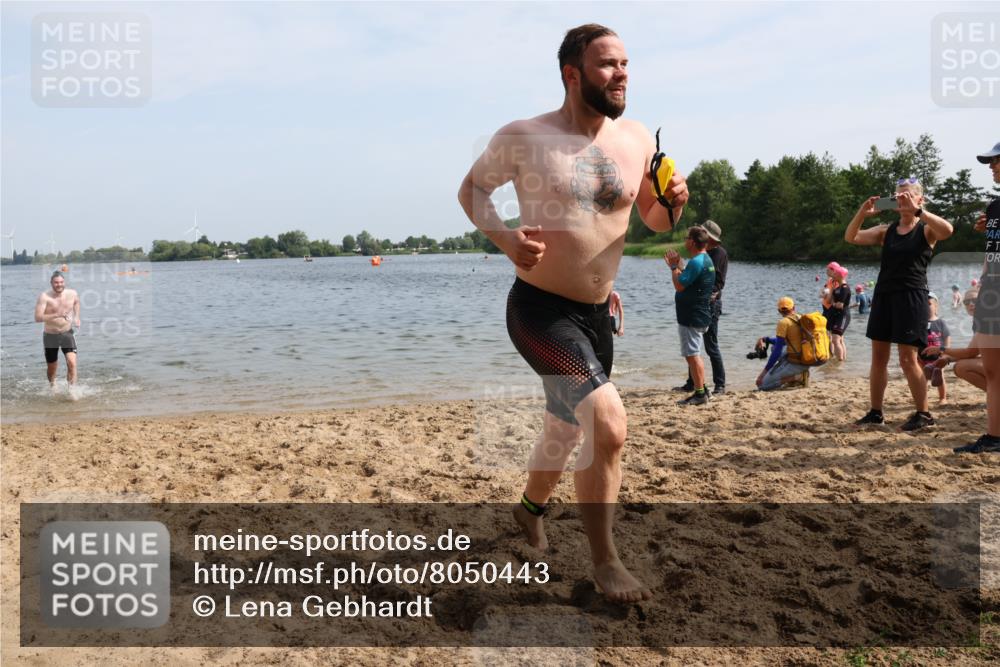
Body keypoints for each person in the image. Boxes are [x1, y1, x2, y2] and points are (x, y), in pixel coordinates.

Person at [457, 24, 688, 601]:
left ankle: (529, 508)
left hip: (597, 314)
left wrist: (674, 204)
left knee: (563, 429)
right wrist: (506, 240)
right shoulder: (524, 136)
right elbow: (472, 191)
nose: (622, 73)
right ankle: (606, 562)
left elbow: (653, 219)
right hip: (538, 310)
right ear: (572, 74)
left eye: (626, 63)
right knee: (608, 424)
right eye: (608, 64)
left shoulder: (637, 139)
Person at [845, 177, 954, 431]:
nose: (901, 200)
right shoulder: (886, 231)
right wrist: (862, 213)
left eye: (907, 195)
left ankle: (924, 414)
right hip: (884, 296)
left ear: (919, 199)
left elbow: (947, 230)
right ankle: (876, 413)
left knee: (907, 359)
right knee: (878, 358)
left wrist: (918, 212)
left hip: (912, 298)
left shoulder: (925, 230)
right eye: (897, 196)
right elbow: (851, 237)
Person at [953, 140, 1000, 453]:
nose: (992, 166)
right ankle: (994, 437)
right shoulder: (994, 207)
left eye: (996, 161)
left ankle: (995, 438)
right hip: (992, 289)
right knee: (994, 371)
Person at [673, 220, 727, 395]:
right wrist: (682, 268)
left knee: (710, 347)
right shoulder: (703, 255)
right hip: (701, 304)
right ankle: (693, 383)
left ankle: (719, 384)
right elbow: (694, 279)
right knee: (693, 349)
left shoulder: (718, 254)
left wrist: (677, 270)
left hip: (709, 304)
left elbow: (716, 282)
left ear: (709, 237)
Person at [665, 226, 715, 406]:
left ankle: (700, 394)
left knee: (692, 355)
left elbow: (679, 285)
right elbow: (690, 275)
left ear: (692, 242)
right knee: (693, 354)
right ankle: (704, 388)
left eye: (687, 238)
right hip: (699, 313)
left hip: (691, 316)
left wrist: (673, 267)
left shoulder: (696, 262)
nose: (685, 240)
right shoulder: (705, 259)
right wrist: (679, 265)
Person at [34, 271, 80, 388]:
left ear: (64, 282)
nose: (59, 285)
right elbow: (38, 318)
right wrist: (56, 315)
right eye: (56, 282)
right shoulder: (44, 297)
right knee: (52, 367)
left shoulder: (72, 293)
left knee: (72, 363)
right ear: (51, 283)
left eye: (61, 282)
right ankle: (52, 387)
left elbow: (76, 302)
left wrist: (77, 317)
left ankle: (72, 391)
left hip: (67, 333)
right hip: (50, 336)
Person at [755, 297, 812, 391]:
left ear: (779, 311)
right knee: (774, 347)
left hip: (797, 363)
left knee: (762, 386)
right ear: (794, 308)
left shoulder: (783, 322)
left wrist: (763, 374)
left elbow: (777, 352)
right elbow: (783, 342)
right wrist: (766, 339)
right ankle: (792, 371)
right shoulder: (801, 318)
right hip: (807, 359)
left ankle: (797, 377)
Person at [919, 293, 951, 405]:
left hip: (938, 357)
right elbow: (916, 340)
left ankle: (942, 398)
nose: (926, 306)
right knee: (922, 378)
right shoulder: (920, 323)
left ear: (936, 306)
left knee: (939, 376)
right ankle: (923, 398)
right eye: (923, 304)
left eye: (929, 304)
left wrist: (945, 352)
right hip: (922, 357)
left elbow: (947, 337)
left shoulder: (940, 322)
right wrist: (916, 356)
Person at [822, 262, 851, 361]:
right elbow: (829, 300)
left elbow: (840, 305)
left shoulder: (845, 288)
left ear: (839, 275)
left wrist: (833, 302)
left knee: (836, 339)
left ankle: (840, 362)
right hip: (835, 314)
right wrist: (830, 291)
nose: (833, 275)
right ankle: (837, 361)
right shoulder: (836, 288)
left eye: (835, 273)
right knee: (835, 339)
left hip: (843, 315)